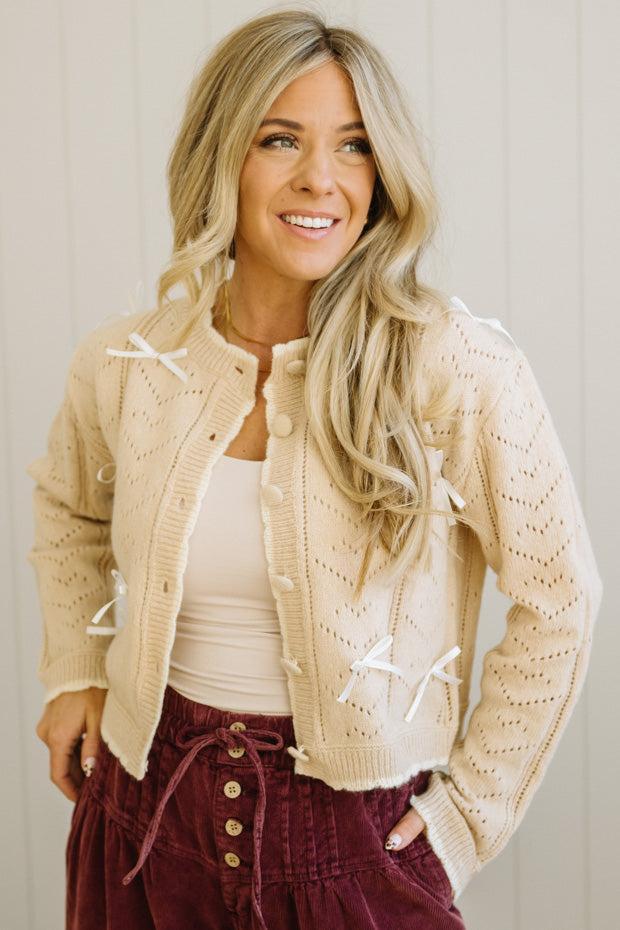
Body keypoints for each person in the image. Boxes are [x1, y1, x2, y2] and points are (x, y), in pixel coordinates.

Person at [26, 8, 603, 930]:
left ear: (384, 173)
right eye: (280, 139)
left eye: (355, 145)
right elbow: (70, 511)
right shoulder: (129, 362)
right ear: (222, 155)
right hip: (142, 816)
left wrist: (468, 817)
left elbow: (560, 597)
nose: (320, 179)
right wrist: (76, 670)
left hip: (355, 843)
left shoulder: (454, 367)